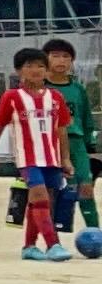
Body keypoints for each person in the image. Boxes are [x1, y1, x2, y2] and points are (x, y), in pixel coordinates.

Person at [0, 49, 72, 263]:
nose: (35, 71)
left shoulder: (55, 97)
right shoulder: (12, 97)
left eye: (40, 66)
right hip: (27, 158)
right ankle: (53, 244)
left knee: (44, 203)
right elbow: (0, 125)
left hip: (51, 158)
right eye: (29, 66)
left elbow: (61, 129)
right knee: (39, 197)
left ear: (46, 70)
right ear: (19, 71)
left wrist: (65, 158)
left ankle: (29, 246)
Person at [45, 37, 90, 237]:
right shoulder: (41, 89)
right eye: (55, 56)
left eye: (66, 56)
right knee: (54, 192)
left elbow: (87, 118)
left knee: (85, 189)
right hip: (50, 144)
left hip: (77, 143)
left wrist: (91, 144)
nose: (61, 61)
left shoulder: (78, 89)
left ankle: (94, 232)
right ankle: (51, 236)